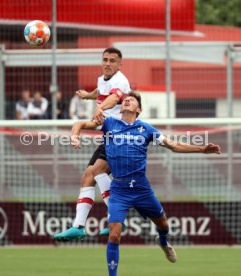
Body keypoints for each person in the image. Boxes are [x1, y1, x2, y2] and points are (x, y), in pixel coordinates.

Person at [64, 91, 221, 275]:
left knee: (163, 225)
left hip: (141, 189)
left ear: (138, 109)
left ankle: (162, 241)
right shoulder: (109, 123)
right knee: (114, 235)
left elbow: (173, 145)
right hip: (119, 190)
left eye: (131, 100)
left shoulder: (146, 129)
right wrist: (75, 135)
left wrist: (202, 149)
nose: (126, 100)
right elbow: (79, 123)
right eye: (124, 100)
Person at [54, 47, 131, 241]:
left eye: (112, 60)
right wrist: (89, 95)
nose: (107, 63)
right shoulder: (101, 80)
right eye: (105, 59)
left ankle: (118, 216)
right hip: (108, 136)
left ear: (119, 65)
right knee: (88, 176)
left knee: (97, 171)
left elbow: (114, 98)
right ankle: (78, 226)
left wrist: (99, 107)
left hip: (122, 136)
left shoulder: (121, 80)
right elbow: (101, 92)